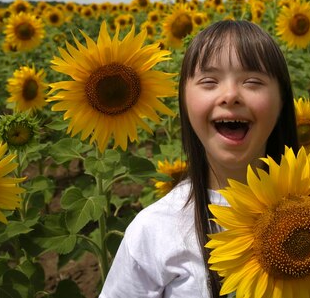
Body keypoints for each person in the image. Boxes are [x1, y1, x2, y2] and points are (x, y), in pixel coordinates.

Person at [99, 20, 299, 298]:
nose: (230, 95)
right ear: (184, 101)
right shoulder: (155, 231)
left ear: (282, 102)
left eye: (253, 81)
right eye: (209, 81)